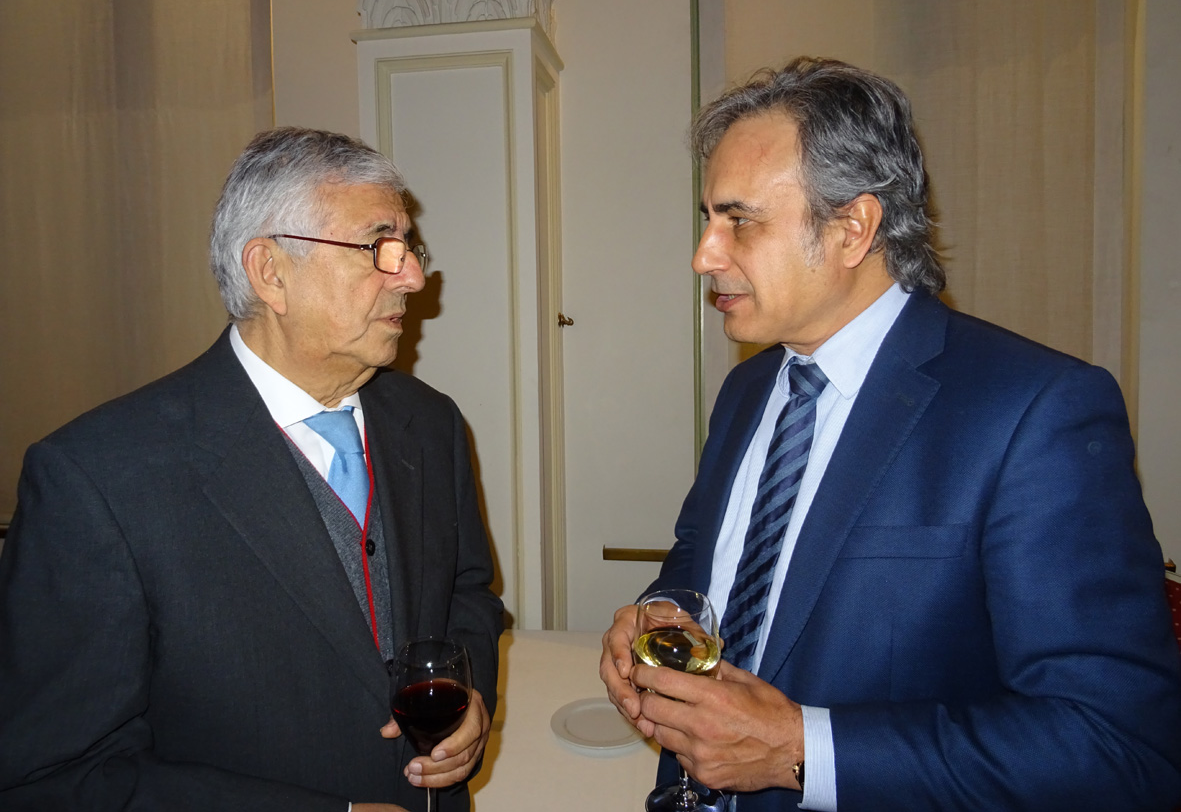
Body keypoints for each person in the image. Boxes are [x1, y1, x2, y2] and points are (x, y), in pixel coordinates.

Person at [600, 58, 1181, 811]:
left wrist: (799, 751)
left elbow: (1118, 747)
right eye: (708, 218)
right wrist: (660, 613)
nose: (703, 255)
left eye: (738, 220)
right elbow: (701, 559)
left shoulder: (1036, 412)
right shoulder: (748, 388)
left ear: (852, 229)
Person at [0, 127, 504, 811]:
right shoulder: (96, 480)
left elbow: (467, 594)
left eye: (409, 247)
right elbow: (60, 776)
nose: (413, 275)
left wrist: (469, 696)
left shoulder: (430, 421)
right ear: (270, 272)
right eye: (378, 246)